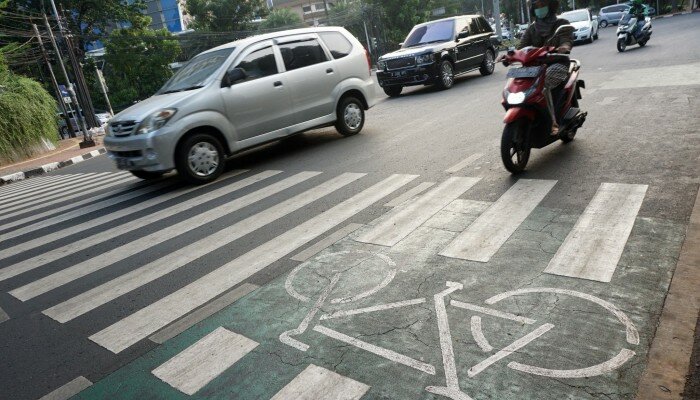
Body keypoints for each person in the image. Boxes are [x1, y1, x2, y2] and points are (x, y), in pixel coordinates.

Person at [517, 0, 573, 134]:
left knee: (543, 84)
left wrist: (564, 47)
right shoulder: (532, 28)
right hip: (536, 67)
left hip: (558, 64)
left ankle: (552, 122)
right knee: (518, 81)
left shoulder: (561, 24)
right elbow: (521, 47)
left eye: (543, 5)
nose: (539, 8)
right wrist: (510, 55)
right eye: (537, 6)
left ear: (551, 6)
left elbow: (566, 39)